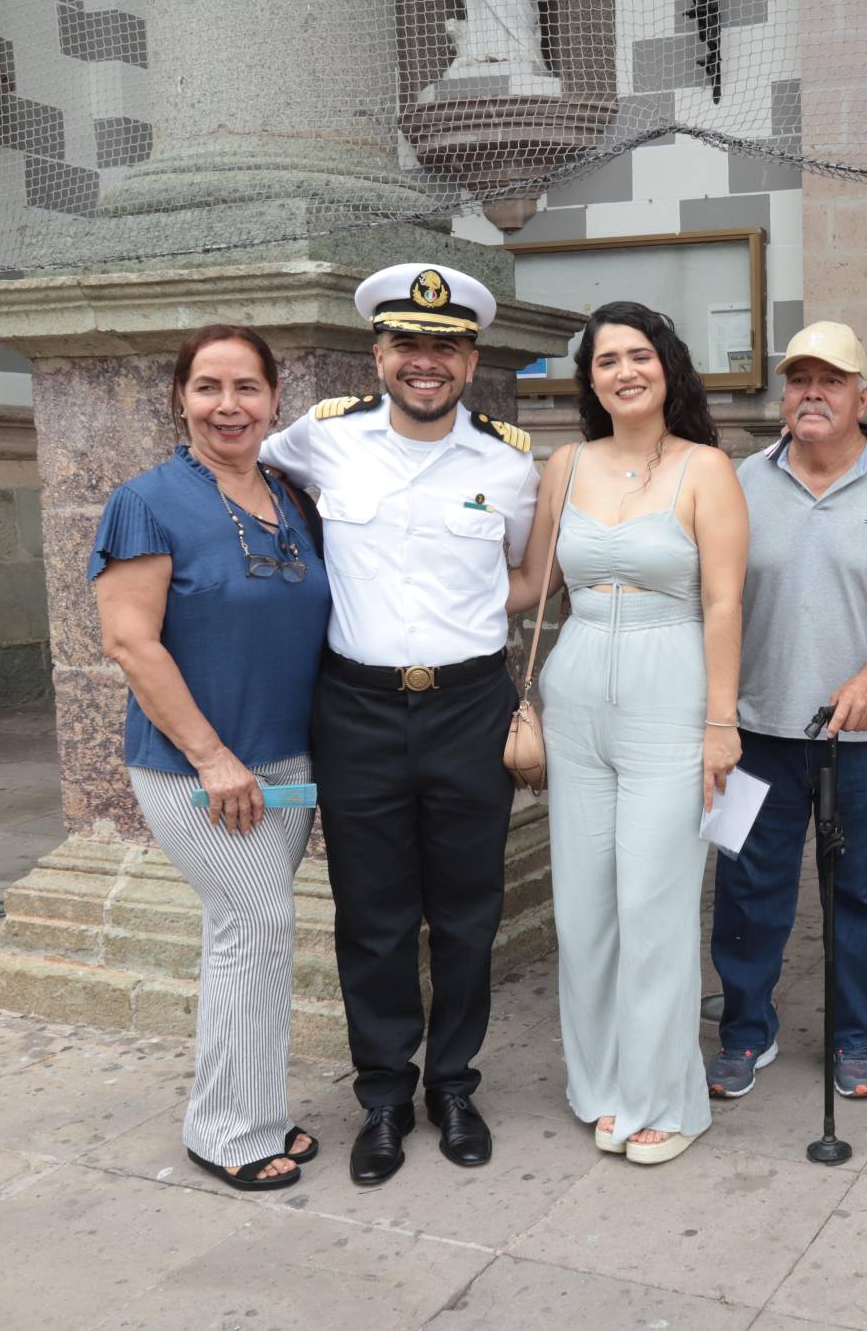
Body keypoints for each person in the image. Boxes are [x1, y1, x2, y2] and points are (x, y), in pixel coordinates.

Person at [259, 263, 539, 1185]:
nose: (427, 363)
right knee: (373, 916)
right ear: (378, 353)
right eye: (408, 345)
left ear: (471, 359)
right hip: (359, 709)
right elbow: (245, 478)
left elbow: (528, 576)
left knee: (467, 913)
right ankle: (383, 1096)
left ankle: (453, 1085)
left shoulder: (506, 460)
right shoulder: (322, 440)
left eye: (447, 347)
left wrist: (478, 630)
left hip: (468, 705)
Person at [507, 302, 747, 1166]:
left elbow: (724, 601)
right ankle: (601, 1082)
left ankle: (662, 1098)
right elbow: (532, 585)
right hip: (574, 694)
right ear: (590, 379)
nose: (623, 372)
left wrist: (722, 721)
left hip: (669, 693)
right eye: (606, 360)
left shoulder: (708, 469)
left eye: (638, 355)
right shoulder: (564, 464)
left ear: (668, 366)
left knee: (653, 903)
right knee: (585, 906)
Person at [91, 325, 331, 1191]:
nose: (228, 405)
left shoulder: (292, 495)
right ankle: (224, 1129)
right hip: (198, 768)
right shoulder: (146, 501)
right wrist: (213, 756)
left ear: (274, 398)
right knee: (254, 924)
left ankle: (255, 1109)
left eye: (246, 388)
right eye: (207, 387)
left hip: (289, 761)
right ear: (179, 397)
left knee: (254, 934)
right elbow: (130, 641)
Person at [707, 321, 867, 1101]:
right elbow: (712, 599)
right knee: (747, 885)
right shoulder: (742, 479)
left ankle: (853, 1036)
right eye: (798, 379)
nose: (811, 393)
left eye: (831, 380)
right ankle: (747, 1030)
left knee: (866, 890)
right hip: (754, 729)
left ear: (863, 395)